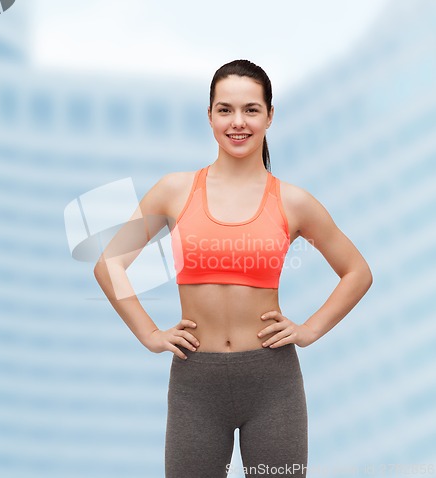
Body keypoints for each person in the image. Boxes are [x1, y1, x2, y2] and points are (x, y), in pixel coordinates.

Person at [94, 59, 373, 478]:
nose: (237, 122)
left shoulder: (292, 201)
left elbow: (357, 271)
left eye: (251, 109)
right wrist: (149, 333)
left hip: (272, 383)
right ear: (209, 116)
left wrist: (310, 330)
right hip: (195, 384)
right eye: (225, 109)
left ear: (270, 115)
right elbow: (109, 264)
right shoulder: (175, 190)